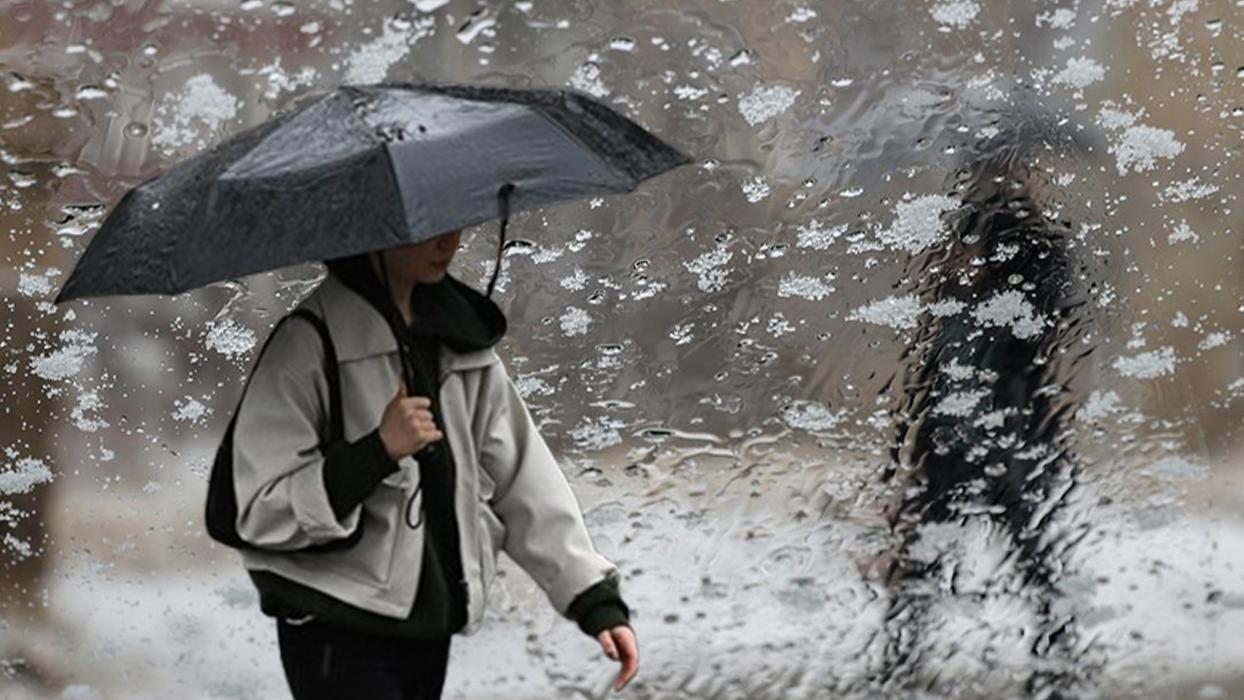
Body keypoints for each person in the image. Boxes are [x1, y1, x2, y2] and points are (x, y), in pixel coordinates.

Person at [228, 228, 639, 699]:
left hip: (429, 624)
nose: (450, 243)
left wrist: (593, 601)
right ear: (374, 233)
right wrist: (378, 450)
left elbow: (524, 480)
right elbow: (258, 507)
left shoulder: (462, 342)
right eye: (424, 232)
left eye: (452, 225)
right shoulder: (308, 344)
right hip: (335, 625)